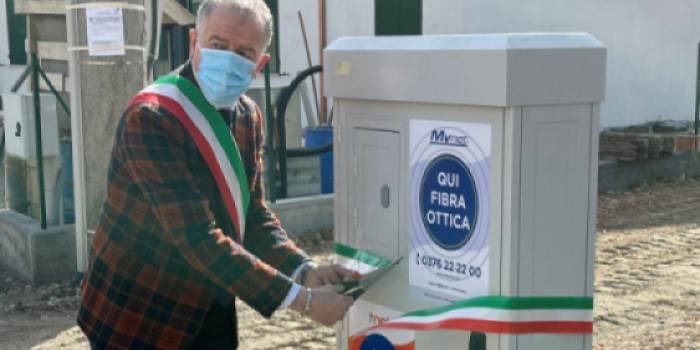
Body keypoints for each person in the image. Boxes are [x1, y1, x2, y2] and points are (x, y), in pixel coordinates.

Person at [77, 0, 356, 348]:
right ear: (195, 42)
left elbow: (253, 215)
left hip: (212, 302)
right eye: (218, 45)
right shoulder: (152, 116)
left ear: (259, 64)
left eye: (243, 52)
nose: (228, 59)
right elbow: (197, 237)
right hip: (138, 314)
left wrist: (306, 271)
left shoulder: (248, 116)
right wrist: (305, 302)